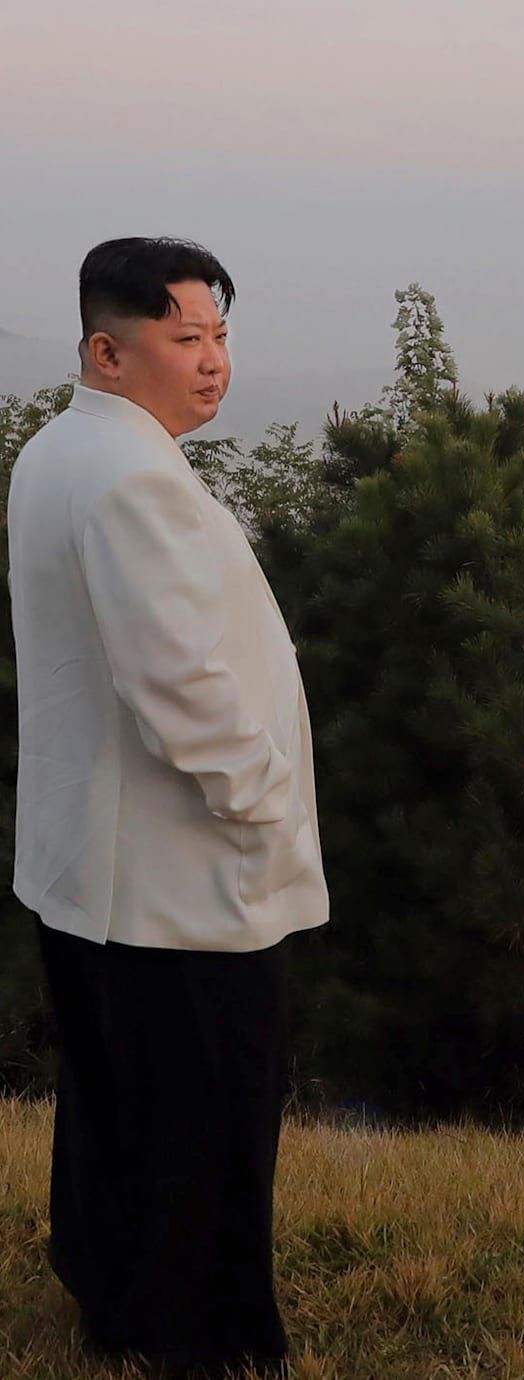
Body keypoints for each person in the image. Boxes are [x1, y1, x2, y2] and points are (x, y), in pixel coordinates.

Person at [7, 236, 331, 1378]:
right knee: (208, 1108)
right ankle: (203, 1339)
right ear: (107, 351)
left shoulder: (60, 449)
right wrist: (265, 801)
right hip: (174, 868)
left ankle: (119, 1303)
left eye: (221, 336)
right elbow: (180, 684)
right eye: (185, 337)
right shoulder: (132, 478)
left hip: (92, 867)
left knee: (119, 1100)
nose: (213, 362)